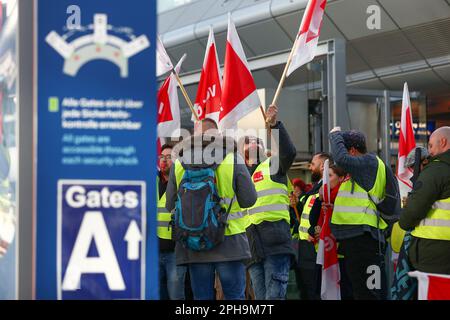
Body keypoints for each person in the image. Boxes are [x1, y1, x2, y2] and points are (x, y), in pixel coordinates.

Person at [165, 119, 257, 300]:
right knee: (234, 298)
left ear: (194, 136)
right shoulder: (232, 158)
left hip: (194, 243)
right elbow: (249, 200)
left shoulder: (179, 163)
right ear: (217, 135)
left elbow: (169, 204)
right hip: (230, 242)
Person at [240, 104, 296, 300]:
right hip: (252, 247)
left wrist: (274, 126)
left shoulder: (272, 166)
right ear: (241, 151)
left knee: (274, 297)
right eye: (249, 142)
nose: (254, 143)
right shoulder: (237, 175)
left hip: (275, 242)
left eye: (258, 141)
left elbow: (289, 153)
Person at [329, 128, 390, 300]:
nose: (339, 160)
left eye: (344, 150)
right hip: (356, 238)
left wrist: (335, 135)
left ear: (353, 151)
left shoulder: (368, 162)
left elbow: (341, 158)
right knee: (361, 291)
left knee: (371, 292)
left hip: (366, 238)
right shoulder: (358, 169)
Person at [399, 126, 450, 275]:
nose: (430, 152)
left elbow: (412, 213)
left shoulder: (436, 170)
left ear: (443, 142)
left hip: (435, 252)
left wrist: (403, 221)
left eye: (431, 146)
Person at [310, 163, 353, 300]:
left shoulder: (345, 195)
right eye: (325, 176)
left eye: (330, 176)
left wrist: (334, 208)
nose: (326, 180)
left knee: (345, 291)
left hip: (343, 253)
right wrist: (320, 199)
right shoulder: (323, 195)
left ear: (341, 178)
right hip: (325, 252)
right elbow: (312, 219)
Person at [295, 152, 332, 300]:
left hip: (316, 247)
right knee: (306, 290)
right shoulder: (314, 190)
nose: (310, 167)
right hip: (305, 247)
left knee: (315, 291)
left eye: (313, 164)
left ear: (322, 166)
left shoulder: (326, 189)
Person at [157, 143, 187, 300]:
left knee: (176, 296)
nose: (164, 160)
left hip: (175, 250)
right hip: (154, 251)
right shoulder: (153, 181)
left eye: (169, 157)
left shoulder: (183, 181)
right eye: (162, 157)